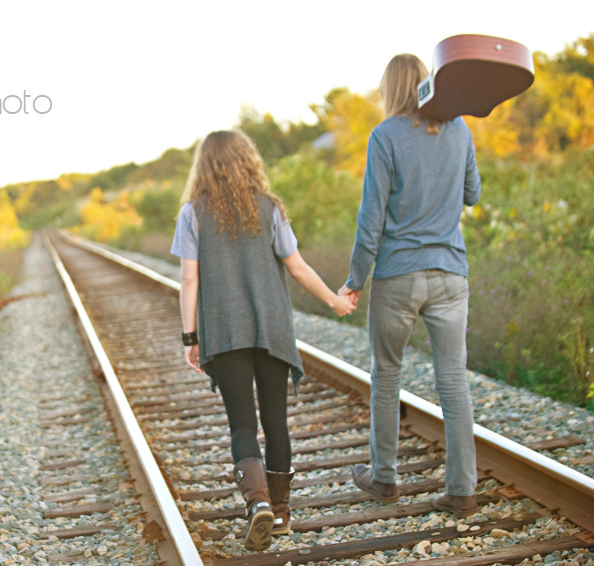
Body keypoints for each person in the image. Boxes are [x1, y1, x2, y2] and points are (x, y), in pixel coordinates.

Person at [171, 130, 355, 551]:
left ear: (204, 167)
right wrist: (333, 300)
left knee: (241, 423)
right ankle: (283, 514)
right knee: (276, 420)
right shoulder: (270, 208)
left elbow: (189, 278)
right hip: (272, 328)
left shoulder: (193, 213)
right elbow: (298, 266)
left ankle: (258, 505)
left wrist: (189, 336)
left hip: (225, 330)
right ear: (248, 161)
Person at [338, 53, 482, 517]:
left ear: (390, 90)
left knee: (386, 375)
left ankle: (384, 479)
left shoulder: (384, 137)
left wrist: (355, 279)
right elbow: (473, 194)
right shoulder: (460, 128)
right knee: (453, 381)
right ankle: (461, 489)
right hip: (450, 272)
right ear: (424, 85)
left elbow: (371, 217)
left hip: (399, 274)